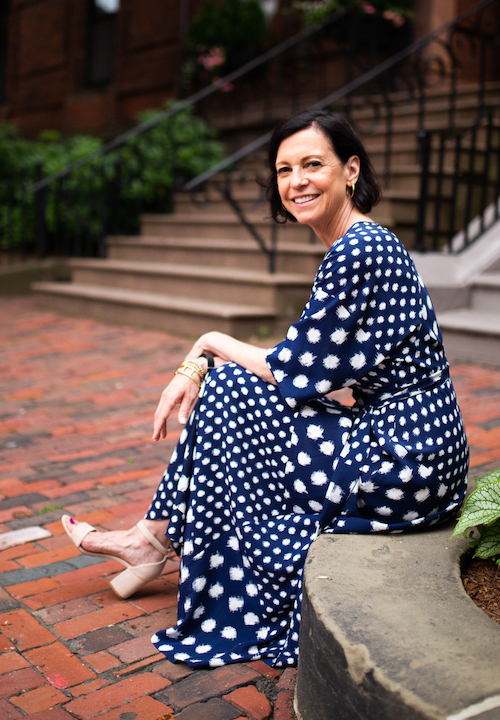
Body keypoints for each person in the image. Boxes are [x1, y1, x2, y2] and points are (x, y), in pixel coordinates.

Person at [63, 109, 469, 669]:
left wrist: (206, 345)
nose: (296, 180)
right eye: (284, 170)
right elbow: (308, 358)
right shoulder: (358, 244)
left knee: (230, 386)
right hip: (417, 449)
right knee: (232, 384)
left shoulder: (359, 249)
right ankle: (149, 540)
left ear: (350, 170)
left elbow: (296, 370)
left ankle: (150, 541)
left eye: (312, 165)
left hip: (404, 463)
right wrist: (207, 360)